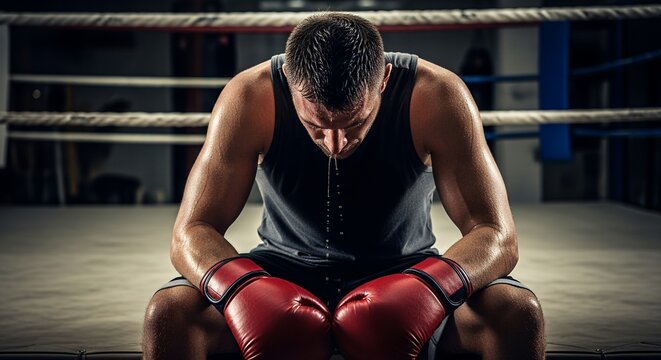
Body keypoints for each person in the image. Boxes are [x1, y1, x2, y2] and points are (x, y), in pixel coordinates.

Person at [143, 12, 545, 360]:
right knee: (169, 313)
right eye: (316, 126)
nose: (336, 143)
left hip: (404, 270)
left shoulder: (436, 96)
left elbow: (495, 233)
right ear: (288, 79)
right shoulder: (249, 97)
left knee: (516, 311)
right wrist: (242, 290)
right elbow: (192, 231)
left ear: (384, 79)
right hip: (282, 272)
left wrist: (430, 288)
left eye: (354, 122)